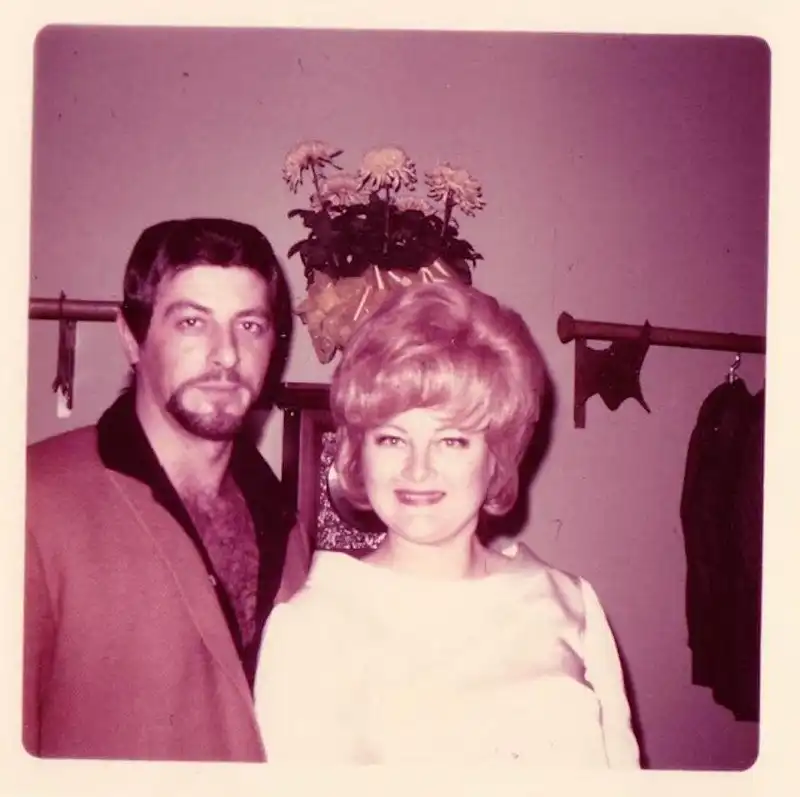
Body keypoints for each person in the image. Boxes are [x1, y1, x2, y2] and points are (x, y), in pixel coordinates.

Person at [254, 280, 641, 766]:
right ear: (359, 451)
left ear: (496, 455)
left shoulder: (571, 603)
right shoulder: (309, 626)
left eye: (452, 440)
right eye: (392, 439)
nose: (418, 470)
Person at [23, 218, 312, 761]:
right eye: (192, 322)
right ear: (131, 338)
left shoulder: (284, 522)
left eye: (249, 325)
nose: (226, 355)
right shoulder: (30, 502)